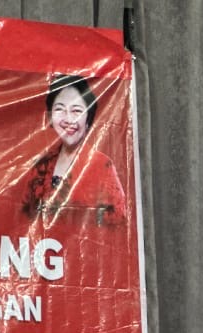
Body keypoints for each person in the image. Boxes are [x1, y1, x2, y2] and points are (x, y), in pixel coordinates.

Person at [22, 74, 126, 227]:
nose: (68, 119)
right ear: (50, 116)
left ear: (88, 117)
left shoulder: (102, 165)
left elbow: (117, 223)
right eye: (60, 109)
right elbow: (24, 220)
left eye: (76, 111)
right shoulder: (41, 165)